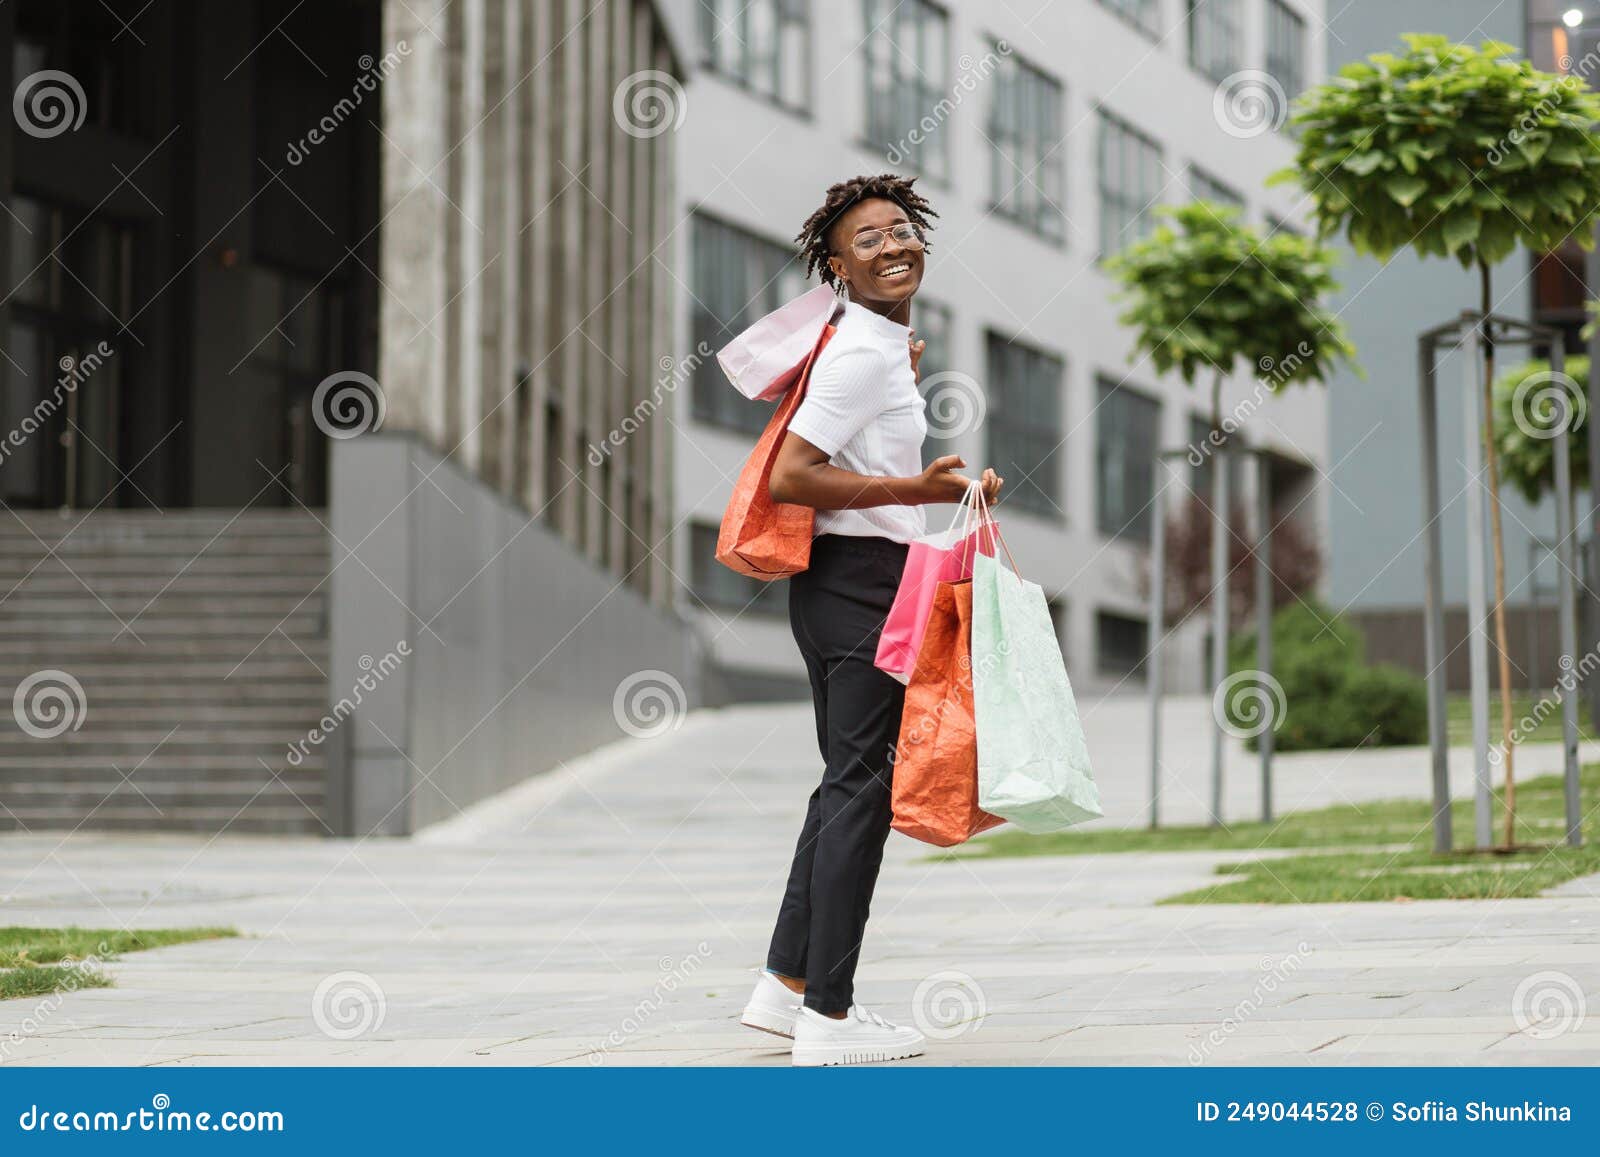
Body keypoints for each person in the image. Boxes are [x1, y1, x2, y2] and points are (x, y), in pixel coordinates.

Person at [738, 173, 1003, 1066]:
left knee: (842, 783)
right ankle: (833, 1019)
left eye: (901, 231)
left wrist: (943, 483)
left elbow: (856, 451)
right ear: (838, 266)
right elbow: (794, 475)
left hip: (843, 583)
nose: (892, 247)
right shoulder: (860, 350)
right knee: (864, 791)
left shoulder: (872, 342)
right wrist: (918, 487)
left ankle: (785, 989)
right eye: (869, 241)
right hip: (861, 585)